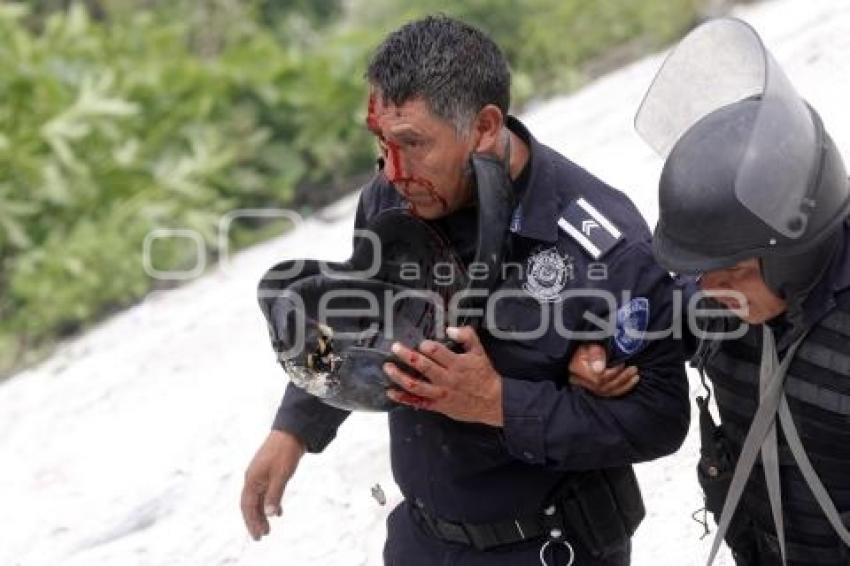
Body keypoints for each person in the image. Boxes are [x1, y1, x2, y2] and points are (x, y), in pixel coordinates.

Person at [241, 15, 690, 566]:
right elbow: (358, 319)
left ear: (483, 127)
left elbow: (659, 420)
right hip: (422, 541)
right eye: (380, 141)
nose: (392, 167)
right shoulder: (391, 199)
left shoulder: (600, 248)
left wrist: (499, 403)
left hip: (549, 547)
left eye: (412, 142)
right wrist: (294, 428)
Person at [574, 18, 850, 566]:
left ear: (791, 254)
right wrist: (595, 359)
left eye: (728, 272)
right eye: (699, 272)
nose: (706, 289)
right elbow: (638, 313)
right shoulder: (715, 297)